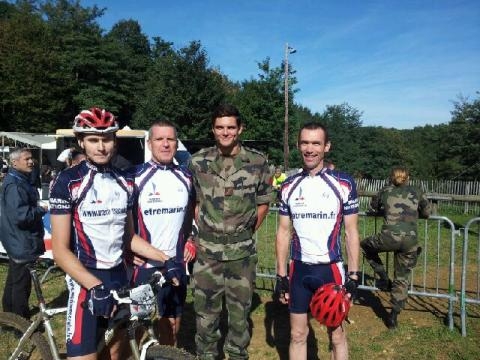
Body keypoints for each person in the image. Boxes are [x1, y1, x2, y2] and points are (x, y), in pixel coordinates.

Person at [49, 107, 180, 360]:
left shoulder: (125, 181)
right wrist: (94, 286)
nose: (101, 147)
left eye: (106, 139)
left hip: (120, 278)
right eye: (93, 140)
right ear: (81, 142)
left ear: (115, 140)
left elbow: (129, 238)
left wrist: (168, 260)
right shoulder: (68, 181)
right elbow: (60, 251)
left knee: (116, 354)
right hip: (86, 282)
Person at [188, 104, 274, 360]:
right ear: (213, 129)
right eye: (220, 127)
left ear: (240, 129)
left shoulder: (257, 162)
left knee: (239, 320)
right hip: (207, 256)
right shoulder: (197, 161)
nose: (225, 132)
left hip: (241, 256)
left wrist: (243, 233)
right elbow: (194, 201)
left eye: (230, 127)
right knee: (205, 319)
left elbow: (263, 202)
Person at [275, 122, 360, 360]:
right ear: (298, 145)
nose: (309, 149)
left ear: (326, 147)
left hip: (330, 270)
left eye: (316, 143)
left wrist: (353, 275)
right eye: (304, 143)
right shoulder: (288, 186)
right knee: (298, 335)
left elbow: (351, 231)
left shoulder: (343, 183)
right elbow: (282, 232)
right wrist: (281, 276)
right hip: (299, 270)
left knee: (337, 336)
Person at [130, 119, 195, 346]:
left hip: (175, 266)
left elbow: (191, 216)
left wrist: (192, 240)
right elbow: (119, 223)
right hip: (142, 269)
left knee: (172, 327)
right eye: (159, 139)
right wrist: (125, 250)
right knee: (136, 328)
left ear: (177, 144)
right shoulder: (134, 177)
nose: (165, 144)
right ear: (149, 143)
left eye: (171, 139)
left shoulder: (186, 178)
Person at [361, 166, 430, 329]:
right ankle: (393, 316)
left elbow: (374, 207)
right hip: (410, 240)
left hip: (388, 238)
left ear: (391, 177)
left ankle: (383, 276)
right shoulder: (417, 191)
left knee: (365, 246)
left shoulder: (385, 190)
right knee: (402, 277)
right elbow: (427, 213)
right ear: (408, 177)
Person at [0, 148, 48, 319]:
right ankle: (21, 322)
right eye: (26, 159)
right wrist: (40, 210)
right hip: (21, 239)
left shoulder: (18, 179)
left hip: (16, 238)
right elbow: (21, 216)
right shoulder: (15, 184)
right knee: (22, 283)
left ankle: (8, 317)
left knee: (14, 278)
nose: (31, 161)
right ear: (14, 163)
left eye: (31, 158)